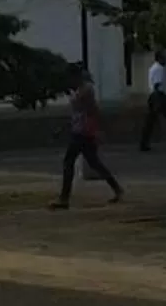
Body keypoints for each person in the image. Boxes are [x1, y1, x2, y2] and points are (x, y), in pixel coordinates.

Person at [51, 69, 122, 208]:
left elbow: (91, 110)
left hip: (83, 131)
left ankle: (64, 198)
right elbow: (76, 113)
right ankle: (116, 188)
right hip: (81, 130)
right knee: (93, 162)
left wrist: (99, 129)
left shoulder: (86, 90)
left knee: (69, 161)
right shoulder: (79, 90)